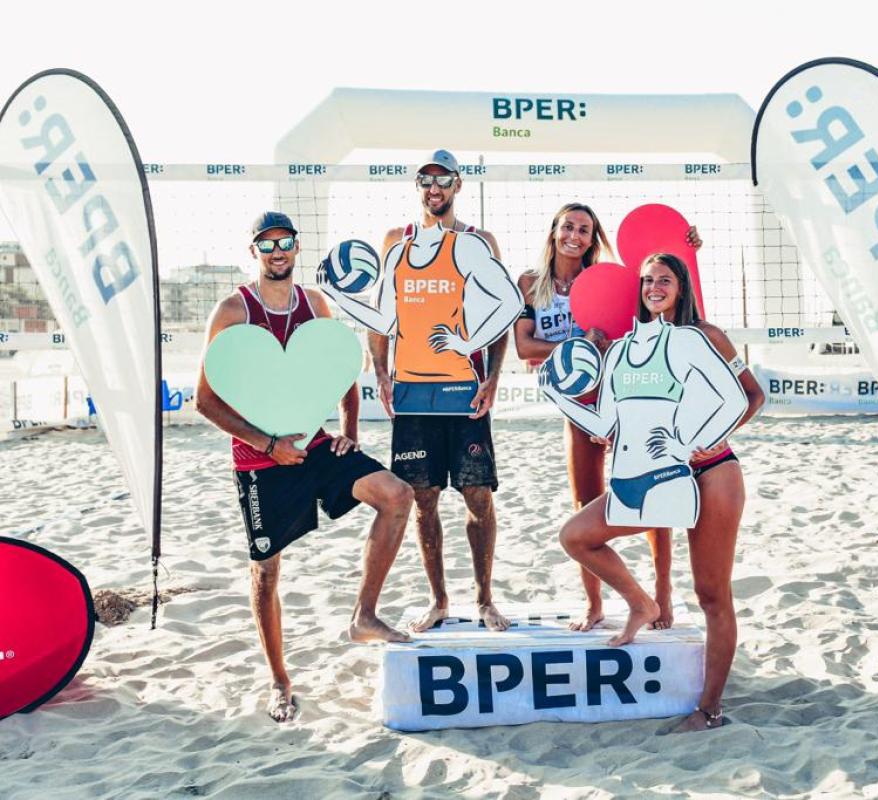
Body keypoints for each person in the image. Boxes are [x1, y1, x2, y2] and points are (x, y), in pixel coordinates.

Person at [196, 211, 415, 723]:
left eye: (285, 242)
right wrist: (266, 443)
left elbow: (340, 368)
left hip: (315, 447)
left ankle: (364, 615)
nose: (277, 251)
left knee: (396, 494)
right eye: (266, 243)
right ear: (253, 251)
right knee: (267, 572)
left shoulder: (315, 303)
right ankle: (279, 680)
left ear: (297, 247)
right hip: (260, 459)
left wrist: (350, 431)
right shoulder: (232, 310)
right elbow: (205, 401)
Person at [551, 252, 764, 733]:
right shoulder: (629, 345)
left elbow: (751, 396)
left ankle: (708, 709)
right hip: (655, 476)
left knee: (712, 595)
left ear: (681, 286)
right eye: (646, 281)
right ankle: (642, 603)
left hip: (712, 472)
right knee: (577, 535)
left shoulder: (706, 337)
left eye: (663, 280)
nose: (653, 287)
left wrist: (702, 438)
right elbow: (619, 415)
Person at [513, 204, 703, 631]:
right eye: (568, 226)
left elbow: (663, 291)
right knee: (584, 502)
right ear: (554, 230)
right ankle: (594, 605)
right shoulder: (530, 284)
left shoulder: (608, 279)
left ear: (593, 237)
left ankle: (663, 594)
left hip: (623, 399)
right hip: (578, 402)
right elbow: (525, 348)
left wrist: (687, 247)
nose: (574, 236)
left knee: (651, 493)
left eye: (584, 229)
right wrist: (579, 345)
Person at [368, 150, 515, 632]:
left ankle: (485, 598)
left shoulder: (478, 241)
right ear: (418, 186)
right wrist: (382, 373)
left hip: (464, 391)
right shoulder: (397, 241)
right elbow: (380, 315)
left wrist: (493, 376)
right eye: (426, 180)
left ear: (457, 185)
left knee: (476, 495)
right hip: (412, 394)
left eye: (443, 180)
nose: (435, 188)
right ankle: (439, 601)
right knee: (423, 498)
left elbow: (501, 315)